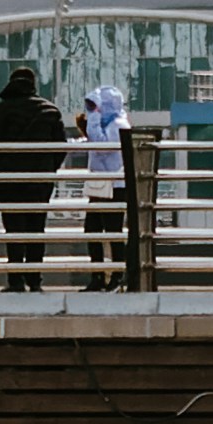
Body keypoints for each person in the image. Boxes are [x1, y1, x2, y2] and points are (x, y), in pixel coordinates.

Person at [0, 64, 61, 291]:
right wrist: (49, 169)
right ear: (33, 84)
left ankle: (15, 281)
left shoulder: (4, 108)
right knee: (36, 230)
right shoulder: (50, 110)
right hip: (40, 181)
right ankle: (35, 280)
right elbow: (61, 147)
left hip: (12, 179)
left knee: (14, 230)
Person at [67, 79, 134, 291]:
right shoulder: (108, 124)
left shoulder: (118, 125)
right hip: (100, 186)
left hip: (115, 186)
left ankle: (117, 275)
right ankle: (98, 276)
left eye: (95, 105)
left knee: (112, 231)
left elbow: (102, 146)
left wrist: (93, 118)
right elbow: (92, 144)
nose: (91, 110)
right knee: (93, 230)